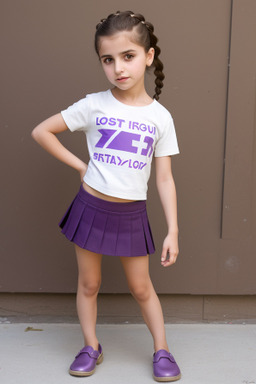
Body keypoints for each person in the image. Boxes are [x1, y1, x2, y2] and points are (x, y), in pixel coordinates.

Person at [31, 10, 181, 382]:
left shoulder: (161, 117)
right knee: (89, 284)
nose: (118, 68)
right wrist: (82, 167)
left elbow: (164, 179)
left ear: (148, 57)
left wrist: (173, 230)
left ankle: (162, 350)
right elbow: (42, 132)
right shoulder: (94, 104)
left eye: (128, 56)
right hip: (90, 207)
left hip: (131, 215)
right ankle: (90, 345)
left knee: (141, 286)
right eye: (108, 59)